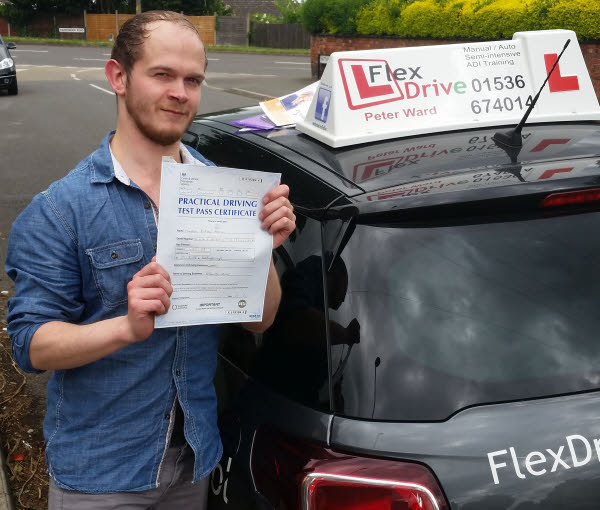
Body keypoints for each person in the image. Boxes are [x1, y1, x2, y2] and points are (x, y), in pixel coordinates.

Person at [5, 10, 296, 509]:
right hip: (100, 473)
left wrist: (262, 249)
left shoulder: (227, 192)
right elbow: (30, 347)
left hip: (192, 461)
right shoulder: (61, 209)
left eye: (192, 80)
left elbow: (260, 320)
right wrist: (126, 326)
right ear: (118, 77)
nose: (180, 92)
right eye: (162, 74)